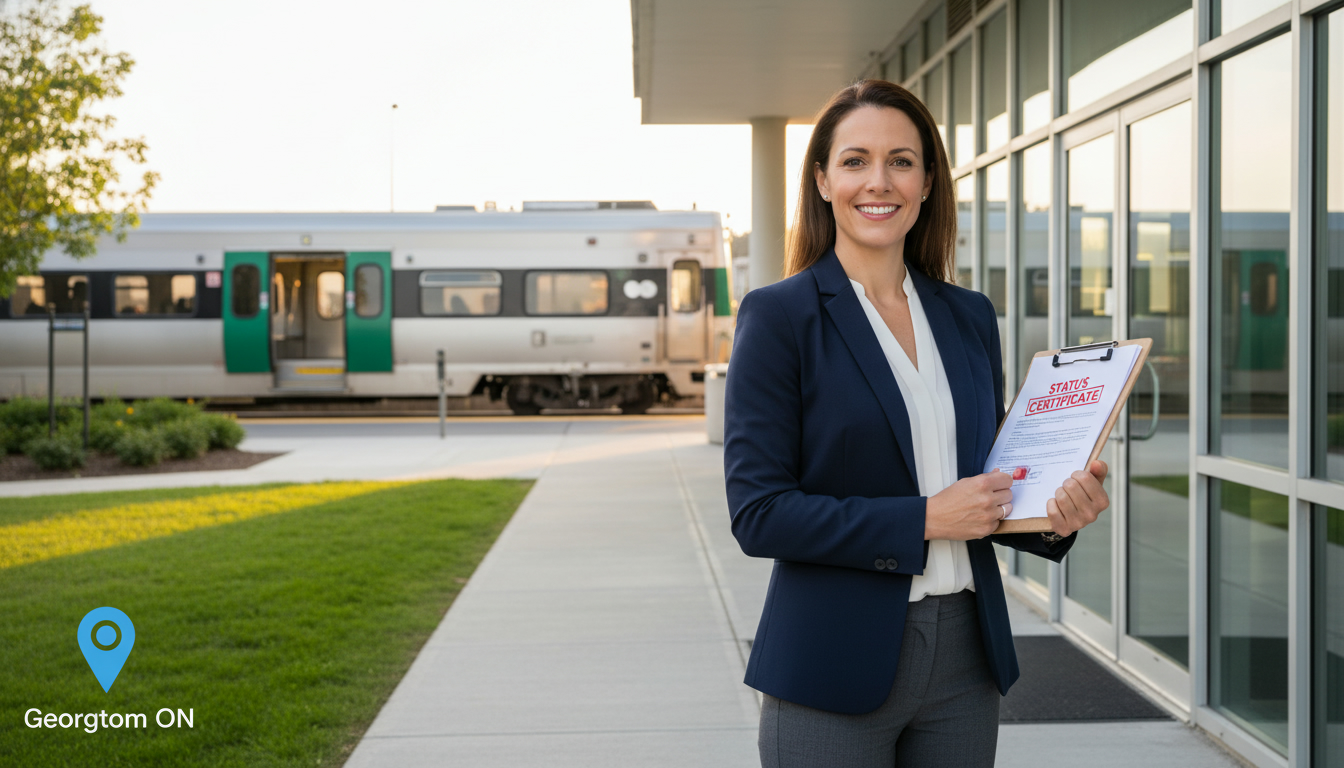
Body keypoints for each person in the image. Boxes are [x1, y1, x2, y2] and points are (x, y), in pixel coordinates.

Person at [723, 79, 1109, 768]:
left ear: (928, 182)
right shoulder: (780, 316)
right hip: (831, 662)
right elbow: (760, 513)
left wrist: (1054, 510)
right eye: (855, 160)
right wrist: (925, 519)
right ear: (821, 179)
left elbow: (987, 486)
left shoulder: (967, 317)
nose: (880, 181)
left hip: (966, 656)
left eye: (902, 160)